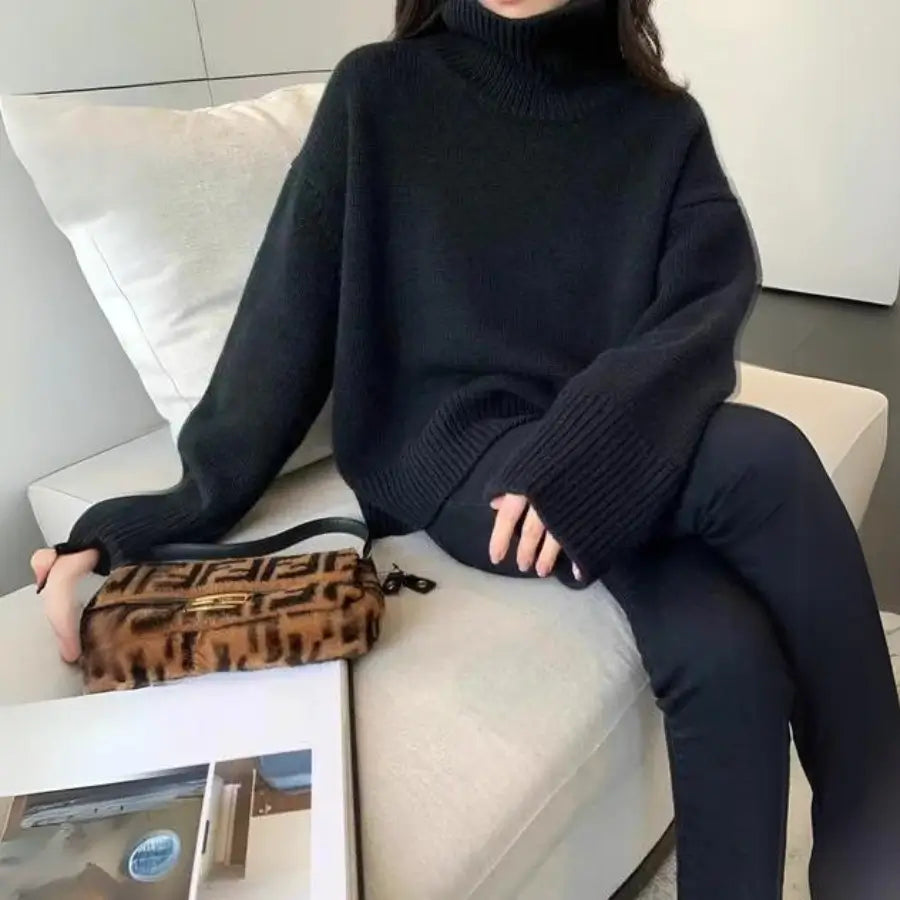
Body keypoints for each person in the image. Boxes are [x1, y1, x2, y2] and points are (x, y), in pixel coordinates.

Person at [31, 0, 900, 896]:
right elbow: (279, 337)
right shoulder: (380, 93)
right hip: (461, 458)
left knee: (726, 654)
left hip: (607, 453)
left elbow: (704, 306)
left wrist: (595, 438)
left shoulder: (659, 123)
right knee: (767, 457)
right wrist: (132, 528)